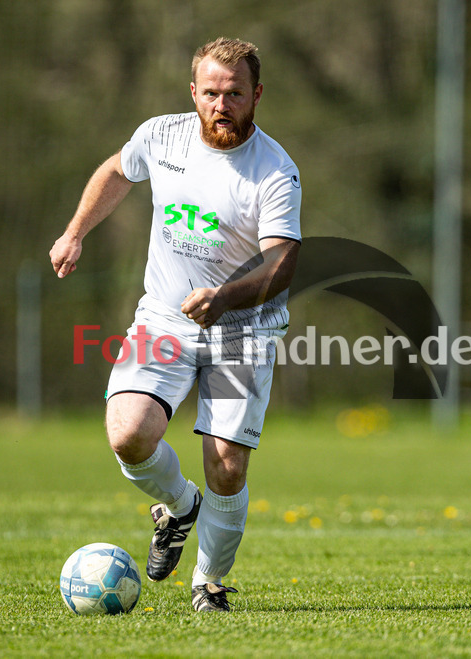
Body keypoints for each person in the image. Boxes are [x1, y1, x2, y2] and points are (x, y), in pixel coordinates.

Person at [49, 37, 301, 611]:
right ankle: (180, 506)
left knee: (228, 465)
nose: (222, 104)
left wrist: (226, 297)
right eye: (210, 92)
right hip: (165, 315)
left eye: (234, 93)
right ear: (194, 93)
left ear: (256, 95)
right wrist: (75, 232)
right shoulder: (161, 136)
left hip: (244, 328)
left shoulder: (274, 171)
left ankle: (208, 586)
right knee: (128, 434)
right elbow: (117, 171)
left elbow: (282, 263)